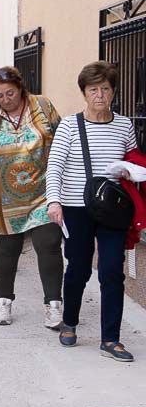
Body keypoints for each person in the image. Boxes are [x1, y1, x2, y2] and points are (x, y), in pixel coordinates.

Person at [45, 61, 138, 361]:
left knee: (112, 271)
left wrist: (128, 171)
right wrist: (53, 201)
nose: (100, 95)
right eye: (93, 89)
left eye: (106, 89)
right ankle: (69, 322)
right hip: (75, 207)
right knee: (79, 269)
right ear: (84, 92)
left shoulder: (124, 125)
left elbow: (132, 161)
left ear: (113, 92)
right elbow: (55, 166)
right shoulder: (70, 126)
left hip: (112, 209)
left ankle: (111, 339)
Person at [0, 67, 63, 328]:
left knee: (50, 244)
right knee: (7, 251)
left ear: (20, 88)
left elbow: (63, 140)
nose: (6, 99)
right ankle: (4, 301)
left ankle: (53, 304)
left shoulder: (42, 106)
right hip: (5, 198)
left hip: (43, 191)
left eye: (10, 93)